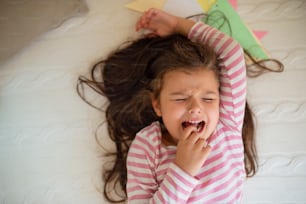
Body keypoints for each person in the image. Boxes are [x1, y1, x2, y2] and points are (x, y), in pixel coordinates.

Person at [77, 8, 283, 203]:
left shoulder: (227, 123)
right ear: (157, 105)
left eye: (208, 98)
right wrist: (182, 170)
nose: (195, 107)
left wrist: (176, 24)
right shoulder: (147, 146)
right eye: (180, 99)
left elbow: (231, 52)